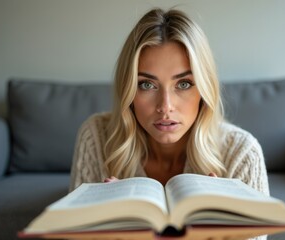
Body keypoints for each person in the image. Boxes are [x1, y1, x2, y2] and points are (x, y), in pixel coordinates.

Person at [70, 7, 269, 202]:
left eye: (184, 84)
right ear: (128, 90)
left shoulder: (243, 154)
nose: (165, 107)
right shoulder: (95, 137)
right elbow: (72, 232)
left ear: (205, 89)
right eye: (147, 84)